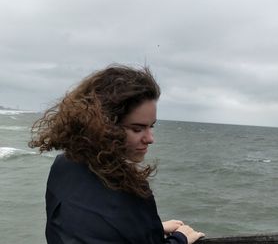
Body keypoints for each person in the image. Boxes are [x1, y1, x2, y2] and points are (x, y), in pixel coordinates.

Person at [29, 64, 205, 244]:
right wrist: (179, 239)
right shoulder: (127, 194)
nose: (150, 138)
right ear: (103, 126)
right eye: (137, 129)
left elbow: (86, 230)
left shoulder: (64, 165)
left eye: (151, 126)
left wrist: (151, 228)